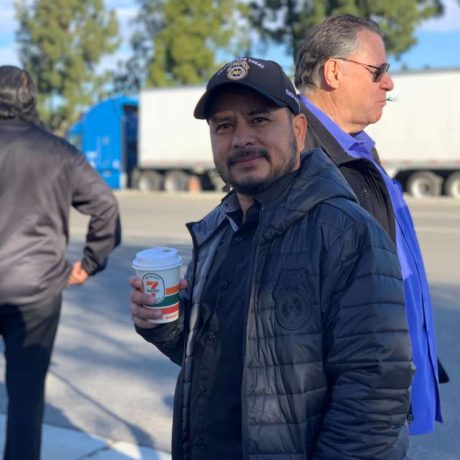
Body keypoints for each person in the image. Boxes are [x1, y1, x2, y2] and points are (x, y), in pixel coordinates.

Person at [130, 56, 413, 459]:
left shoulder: (346, 232)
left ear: (298, 130)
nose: (241, 138)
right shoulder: (217, 230)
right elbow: (225, 358)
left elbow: (374, 397)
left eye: (259, 119)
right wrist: (163, 325)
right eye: (224, 126)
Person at [294, 14, 443, 436]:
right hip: (352, 412)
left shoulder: (356, 149)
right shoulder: (296, 156)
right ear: (333, 71)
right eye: (378, 72)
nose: (389, 84)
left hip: (380, 390)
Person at [0, 65, 121, 460]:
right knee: (25, 396)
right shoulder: (59, 152)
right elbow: (105, 207)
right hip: (36, 293)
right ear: (31, 101)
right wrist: (89, 263)